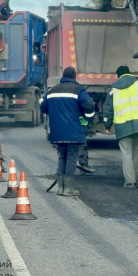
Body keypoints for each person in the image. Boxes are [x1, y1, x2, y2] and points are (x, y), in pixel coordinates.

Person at [40, 66, 95, 196]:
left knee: (61, 158)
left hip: (57, 131)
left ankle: (60, 188)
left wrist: (53, 112)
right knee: (71, 158)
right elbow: (89, 106)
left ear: (63, 77)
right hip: (73, 132)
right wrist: (86, 119)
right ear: (74, 77)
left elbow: (43, 105)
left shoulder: (52, 91)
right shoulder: (78, 90)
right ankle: (68, 188)